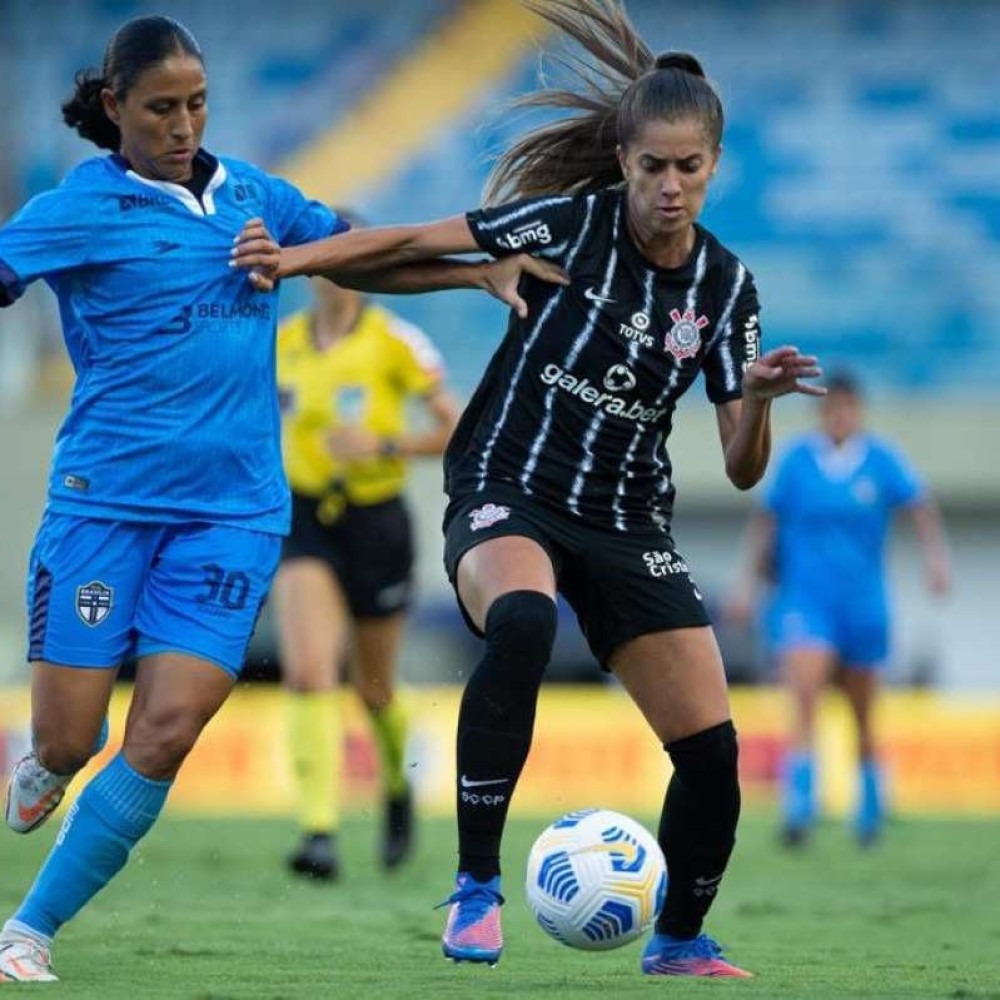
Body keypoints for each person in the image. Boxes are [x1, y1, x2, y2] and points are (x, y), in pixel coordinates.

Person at [237, 0, 825, 978]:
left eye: (689, 167)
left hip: (628, 514)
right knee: (520, 617)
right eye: (652, 166)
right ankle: (474, 886)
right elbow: (411, 242)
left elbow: (740, 463)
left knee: (712, 750)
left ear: (714, 163)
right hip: (508, 480)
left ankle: (677, 939)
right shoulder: (571, 221)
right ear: (625, 159)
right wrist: (291, 262)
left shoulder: (727, 291)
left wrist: (756, 399)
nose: (670, 186)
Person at [0, 15, 565, 983]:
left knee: (170, 728)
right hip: (103, 503)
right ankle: (57, 747)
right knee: (67, 731)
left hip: (235, 513)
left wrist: (476, 272)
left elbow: (359, 251)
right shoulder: (77, 207)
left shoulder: (252, 197)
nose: (184, 125)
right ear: (113, 108)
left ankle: (29, 928)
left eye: (197, 104)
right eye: (161, 108)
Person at [275, 234, 460, 880]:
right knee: (307, 670)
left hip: (376, 522)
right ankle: (318, 830)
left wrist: (386, 443)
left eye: (349, 262)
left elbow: (456, 426)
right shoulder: (282, 344)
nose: (335, 274)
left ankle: (397, 787)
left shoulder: (395, 341)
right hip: (304, 517)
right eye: (324, 262)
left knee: (374, 687)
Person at [728, 371, 951, 847]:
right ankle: (800, 807)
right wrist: (746, 586)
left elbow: (920, 506)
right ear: (820, 412)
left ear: (859, 410)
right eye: (832, 408)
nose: (840, 416)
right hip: (805, 600)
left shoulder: (881, 460)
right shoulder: (796, 462)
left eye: (848, 407)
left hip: (864, 603)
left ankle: (870, 807)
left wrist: (937, 561)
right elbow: (765, 521)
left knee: (863, 712)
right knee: (804, 696)